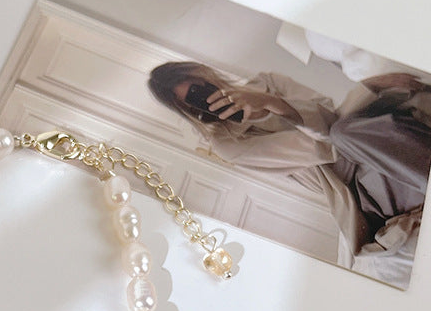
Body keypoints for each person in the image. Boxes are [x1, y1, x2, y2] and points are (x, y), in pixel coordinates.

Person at [148, 62, 430, 261]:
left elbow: (334, 116)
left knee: (360, 126)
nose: (206, 99)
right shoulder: (228, 144)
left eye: (200, 88)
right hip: (355, 180)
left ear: (205, 74)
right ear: (190, 112)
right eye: (194, 102)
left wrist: (267, 99)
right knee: (346, 136)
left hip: (367, 136)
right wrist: (272, 106)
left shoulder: (268, 82)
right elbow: (326, 147)